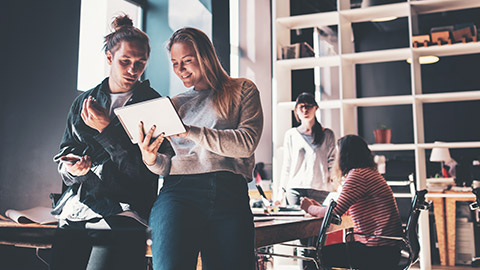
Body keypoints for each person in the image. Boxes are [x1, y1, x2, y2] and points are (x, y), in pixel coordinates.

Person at [51, 15, 173, 270]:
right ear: (109, 58)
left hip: (125, 215)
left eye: (140, 63)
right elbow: (65, 155)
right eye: (125, 61)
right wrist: (72, 169)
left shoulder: (153, 105)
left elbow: (143, 173)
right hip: (76, 211)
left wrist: (107, 130)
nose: (132, 70)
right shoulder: (84, 102)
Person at [139, 27, 263, 270]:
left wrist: (189, 131)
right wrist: (151, 158)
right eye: (175, 63)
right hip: (178, 192)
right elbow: (166, 165)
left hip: (230, 193)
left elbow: (246, 143)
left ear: (205, 56)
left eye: (187, 61)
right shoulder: (174, 104)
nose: (180, 70)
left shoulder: (243, 90)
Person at [300, 135, 402, 270]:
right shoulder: (369, 173)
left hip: (376, 251)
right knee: (319, 254)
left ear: (345, 155)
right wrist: (320, 208)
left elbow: (334, 213)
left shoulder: (358, 175)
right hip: (388, 249)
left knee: (315, 256)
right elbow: (343, 209)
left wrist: (309, 208)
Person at [276, 92, 336, 206]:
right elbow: (286, 166)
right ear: (296, 110)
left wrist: (337, 188)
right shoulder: (291, 134)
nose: (305, 110)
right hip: (295, 189)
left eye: (308, 106)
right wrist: (280, 194)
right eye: (301, 106)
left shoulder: (327, 134)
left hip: (320, 190)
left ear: (316, 108)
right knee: (295, 223)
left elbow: (332, 164)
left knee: (317, 223)